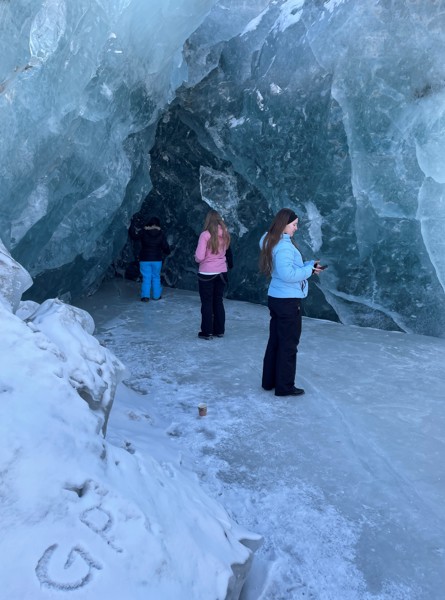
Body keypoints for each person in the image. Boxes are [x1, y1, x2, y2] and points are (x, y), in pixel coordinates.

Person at [259, 208, 323, 396]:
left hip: (277, 298)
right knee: (288, 345)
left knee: (276, 341)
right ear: (284, 225)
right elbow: (288, 275)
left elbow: (286, 270)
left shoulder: (269, 241)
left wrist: (308, 265)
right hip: (288, 301)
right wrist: (310, 271)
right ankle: (284, 386)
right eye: (294, 225)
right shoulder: (284, 246)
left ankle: (269, 381)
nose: (296, 228)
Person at [194, 210, 233, 340]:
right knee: (218, 301)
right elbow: (226, 252)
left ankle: (207, 332)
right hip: (221, 272)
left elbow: (199, 257)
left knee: (206, 303)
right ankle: (219, 330)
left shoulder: (205, 235)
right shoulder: (226, 235)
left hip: (207, 273)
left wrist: (196, 258)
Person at [130, 216, 171, 302]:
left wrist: (131, 224)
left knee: (146, 278)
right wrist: (168, 252)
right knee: (156, 277)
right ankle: (156, 296)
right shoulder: (161, 234)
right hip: (157, 259)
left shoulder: (143, 232)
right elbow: (165, 247)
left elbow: (134, 236)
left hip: (144, 259)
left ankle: (145, 296)